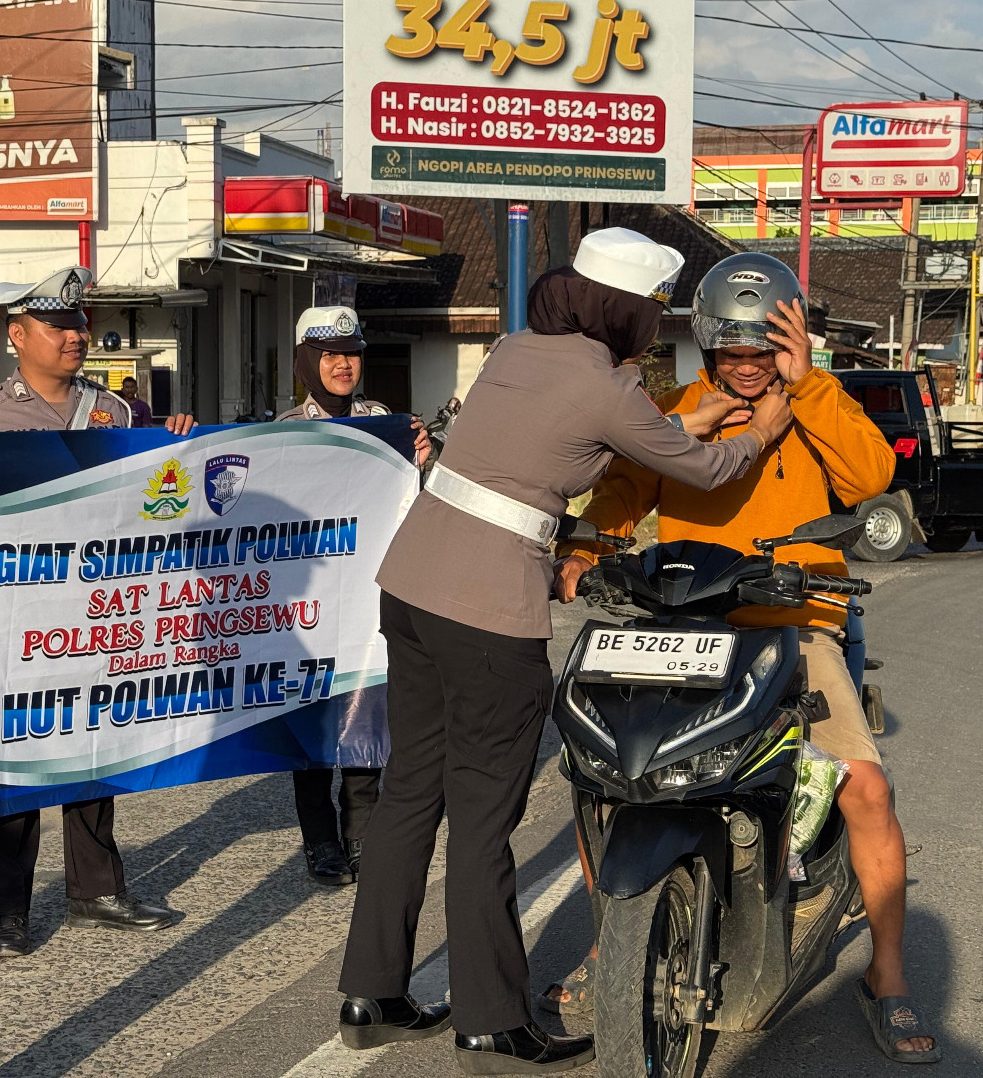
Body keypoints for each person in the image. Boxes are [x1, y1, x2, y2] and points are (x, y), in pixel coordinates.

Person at [336, 228, 793, 1073]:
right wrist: (763, 425)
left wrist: (680, 421)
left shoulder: (518, 347)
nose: (657, 327)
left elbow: (577, 440)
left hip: (412, 585)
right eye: (654, 312)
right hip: (486, 610)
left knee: (410, 796)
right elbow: (703, 467)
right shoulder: (607, 385)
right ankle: (490, 1018)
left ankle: (371, 994)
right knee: (481, 817)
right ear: (624, 310)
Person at [555, 251, 940, 1064]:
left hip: (796, 625)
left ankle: (890, 974)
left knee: (865, 786)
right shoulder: (677, 412)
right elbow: (623, 491)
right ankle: (610, 944)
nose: (748, 367)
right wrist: (590, 545)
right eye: (734, 352)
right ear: (707, 346)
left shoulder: (811, 404)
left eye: (764, 350)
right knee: (604, 771)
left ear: (787, 343)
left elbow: (870, 474)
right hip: (685, 629)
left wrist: (810, 381)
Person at [0, 265, 194, 958]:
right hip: (10, 622)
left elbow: (155, 505)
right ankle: (9, 914)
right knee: (14, 765)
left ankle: (97, 889)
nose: (74, 336)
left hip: (91, 619)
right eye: (57, 326)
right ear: (17, 334)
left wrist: (173, 436)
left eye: (78, 324)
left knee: (94, 746)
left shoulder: (117, 414)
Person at [275, 306, 431, 885]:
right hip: (311, 605)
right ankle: (320, 843)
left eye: (352, 352)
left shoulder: (385, 421)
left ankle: (362, 834)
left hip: (369, 597)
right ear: (305, 362)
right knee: (314, 725)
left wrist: (421, 460)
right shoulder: (285, 430)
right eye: (329, 354)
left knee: (368, 716)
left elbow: (409, 503)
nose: (343, 364)